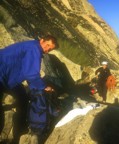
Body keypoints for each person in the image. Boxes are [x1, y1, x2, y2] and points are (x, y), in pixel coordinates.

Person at [0, 35, 58, 143]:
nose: (47, 49)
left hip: (8, 77)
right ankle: (17, 132)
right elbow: (31, 74)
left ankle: (20, 130)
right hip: (2, 75)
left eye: (50, 49)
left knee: (22, 96)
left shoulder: (33, 47)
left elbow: (26, 70)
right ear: (41, 40)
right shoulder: (35, 48)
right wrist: (44, 87)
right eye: (47, 45)